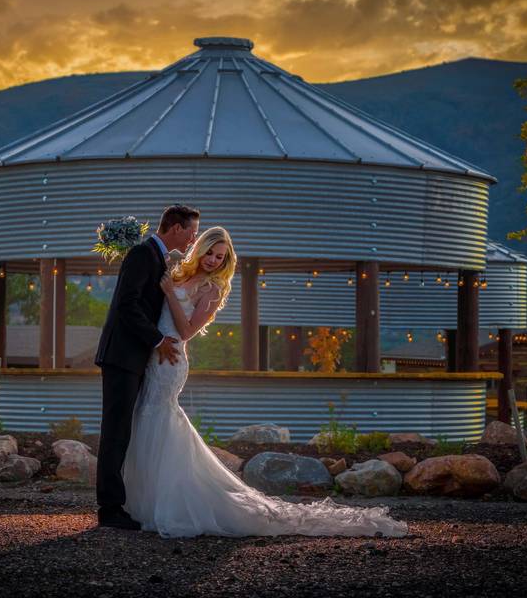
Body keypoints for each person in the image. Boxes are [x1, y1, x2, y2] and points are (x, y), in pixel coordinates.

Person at [122, 226, 408, 538]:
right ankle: (139, 501)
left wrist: (168, 294)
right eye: (210, 253)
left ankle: (172, 504)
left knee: (159, 416)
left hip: (172, 359)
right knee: (144, 417)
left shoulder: (212, 289)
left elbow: (188, 330)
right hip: (153, 355)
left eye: (220, 257)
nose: (213, 261)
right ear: (200, 249)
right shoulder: (176, 273)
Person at [94, 204, 200, 530]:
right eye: (192, 231)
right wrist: (158, 341)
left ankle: (122, 502)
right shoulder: (143, 254)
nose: (194, 237)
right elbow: (127, 305)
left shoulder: (158, 257)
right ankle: (109, 509)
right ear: (176, 228)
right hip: (122, 356)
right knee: (115, 431)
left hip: (135, 358)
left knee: (125, 430)